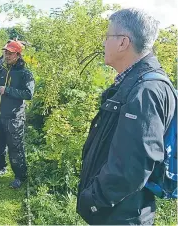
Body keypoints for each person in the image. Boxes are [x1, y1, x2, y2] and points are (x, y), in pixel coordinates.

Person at [76, 8, 176, 225]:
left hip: (122, 215)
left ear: (123, 42)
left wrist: (92, 200)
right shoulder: (135, 83)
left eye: (107, 36)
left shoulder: (146, 90)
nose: (103, 43)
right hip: (116, 211)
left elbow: (131, 168)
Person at [0, 41, 35, 189]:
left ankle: (20, 176)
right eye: (5, 52)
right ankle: (0, 167)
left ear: (18, 55)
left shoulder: (25, 73)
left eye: (10, 53)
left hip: (15, 118)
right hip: (0, 115)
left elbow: (29, 94)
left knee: (16, 147)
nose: (7, 55)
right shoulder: (2, 70)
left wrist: (7, 90)